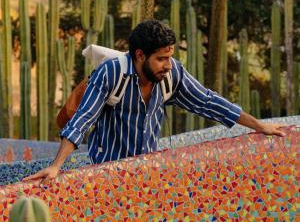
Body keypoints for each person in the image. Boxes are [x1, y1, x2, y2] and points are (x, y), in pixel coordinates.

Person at [23, 20, 285, 183]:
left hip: (147, 172)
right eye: (161, 58)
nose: (168, 65)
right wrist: (56, 167)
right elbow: (82, 120)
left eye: (170, 57)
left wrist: (259, 126)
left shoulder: (172, 75)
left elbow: (208, 102)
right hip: (105, 173)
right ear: (140, 55)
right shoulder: (112, 73)